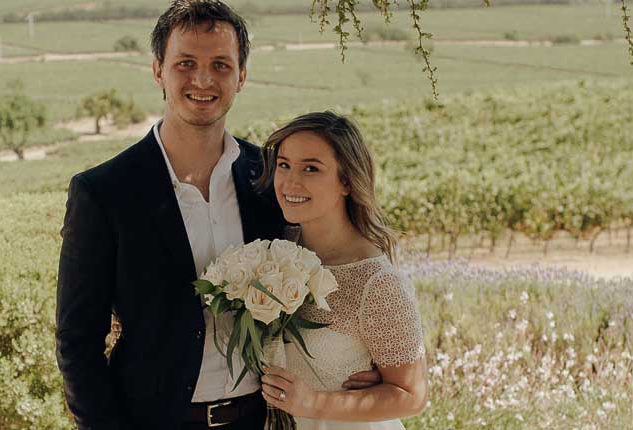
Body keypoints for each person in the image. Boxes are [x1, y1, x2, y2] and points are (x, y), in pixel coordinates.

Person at [55, 3, 380, 429]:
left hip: (262, 420)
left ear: (241, 76)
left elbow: (331, 259)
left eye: (220, 65)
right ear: (158, 70)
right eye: (185, 63)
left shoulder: (270, 178)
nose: (203, 80)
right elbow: (77, 341)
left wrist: (361, 356)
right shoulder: (103, 192)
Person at [257, 112, 429, 429]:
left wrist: (315, 403)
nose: (290, 182)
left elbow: (412, 394)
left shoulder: (377, 282)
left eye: (311, 168)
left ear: (347, 181)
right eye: (284, 165)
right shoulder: (276, 248)